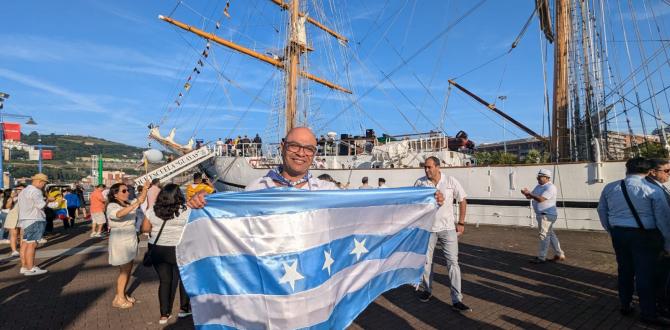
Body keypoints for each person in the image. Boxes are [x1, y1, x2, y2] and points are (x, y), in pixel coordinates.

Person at [597, 157, 670, 326]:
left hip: (619, 234)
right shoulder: (652, 190)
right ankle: (649, 313)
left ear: (627, 169)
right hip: (645, 236)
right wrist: (667, 244)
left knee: (625, 270)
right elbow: (663, 220)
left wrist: (611, 229)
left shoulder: (610, 187)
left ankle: (625, 304)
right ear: (648, 171)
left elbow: (602, 210)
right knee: (645, 274)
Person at [414, 156, 472, 313]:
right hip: (428, 229)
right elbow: (415, 205)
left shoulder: (451, 181)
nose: (426, 170)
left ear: (438, 167)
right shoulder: (420, 183)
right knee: (427, 262)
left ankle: (457, 299)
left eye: (429, 167)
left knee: (453, 263)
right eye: (425, 167)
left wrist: (461, 222)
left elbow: (462, 200)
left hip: (447, 229)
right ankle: (427, 290)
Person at [141, 184, 192, 324]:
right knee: (183, 279)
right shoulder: (186, 210)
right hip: (179, 248)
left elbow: (145, 228)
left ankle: (164, 314)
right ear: (179, 195)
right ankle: (184, 309)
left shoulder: (152, 210)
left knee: (164, 281)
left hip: (157, 248)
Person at [107, 181, 149, 309]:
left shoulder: (127, 203)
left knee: (128, 268)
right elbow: (119, 214)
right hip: (121, 239)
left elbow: (140, 199)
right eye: (124, 191)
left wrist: (145, 188)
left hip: (129, 237)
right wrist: (135, 204)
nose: (127, 193)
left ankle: (121, 294)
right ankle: (119, 298)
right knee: (124, 271)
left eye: (127, 190)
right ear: (115, 194)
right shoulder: (112, 206)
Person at [521, 169, 565, 264]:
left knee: (544, 235)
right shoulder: (538, 186)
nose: (538, 178)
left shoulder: (550, 187)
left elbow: (541, 199)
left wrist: (530, 194)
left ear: (547, 178)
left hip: (546, 214)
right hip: (542, 214)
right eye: (538, 177)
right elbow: (531, 197)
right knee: (550, 234)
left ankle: (541, 257)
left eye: (540, 177)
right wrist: (526, 194)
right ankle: (559, 254)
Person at [17, 173, 51, 276]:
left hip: (25, 219)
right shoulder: (36, 191)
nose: (44, 186)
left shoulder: (24, 191)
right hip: (35, 219)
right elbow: (41, 205)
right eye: (44, 183)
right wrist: (49, 200)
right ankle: (31, 268)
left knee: (25, 243)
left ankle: (24, 266)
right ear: (40, 181)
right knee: (32, 244)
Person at [5, 184, 24, 257]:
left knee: (23, 235)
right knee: (13, 235)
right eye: (18, 189)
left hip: (24, 218)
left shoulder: (27, 197)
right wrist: (12, 198)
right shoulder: (12, 198)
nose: (19, 191)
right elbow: (7, 206)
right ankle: (14, 250)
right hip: (13, 218)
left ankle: (22, 248)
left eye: (21, 189)